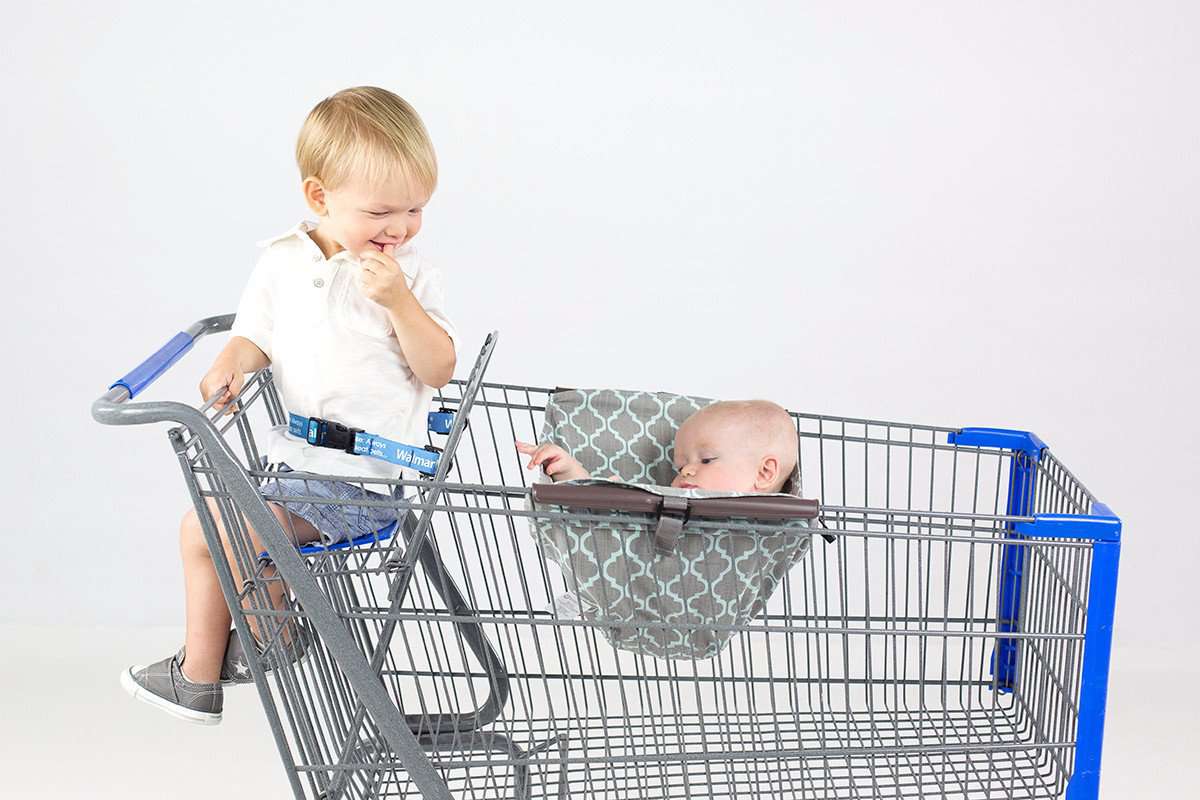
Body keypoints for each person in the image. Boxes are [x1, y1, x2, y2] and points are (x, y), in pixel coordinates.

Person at [120, 87, 456, 725]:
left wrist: (401, 304)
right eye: (381, 211)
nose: (400, 228)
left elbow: (438, 367)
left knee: (211, 527)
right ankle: (269, 637)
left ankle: (200, 673)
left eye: (415, 210)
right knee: (217, 525)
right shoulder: (280, 261)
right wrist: (229, 363)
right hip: (291, 469)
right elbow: (254, 336)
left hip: (363, 483)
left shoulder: (412, 274)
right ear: (320, 198)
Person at [517, 399, 799, 493]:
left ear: (764, 473)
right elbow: (603, 516)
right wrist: (568, 471)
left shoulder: (764, 540)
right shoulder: (669, 507)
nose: (686, 471)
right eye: (679, 466)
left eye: (707, 460)